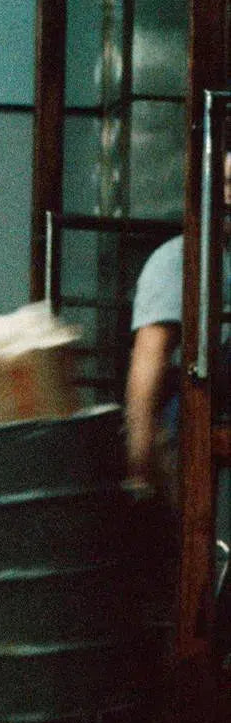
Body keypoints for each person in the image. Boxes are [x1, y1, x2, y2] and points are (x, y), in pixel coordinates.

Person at [125, 147, 231, 507]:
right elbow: (148, 367)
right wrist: (140, 462)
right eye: (225, 183)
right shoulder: (178, 260)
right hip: (195, 421)